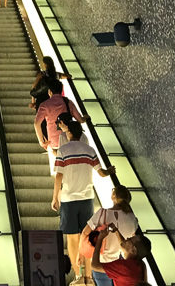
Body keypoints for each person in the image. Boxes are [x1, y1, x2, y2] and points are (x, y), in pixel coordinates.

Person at [52, 113, 108, 282]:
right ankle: (89, 277)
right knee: (88, 238)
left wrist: (55, 198)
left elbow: (58, 177)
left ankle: (78, 276)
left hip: (69, 199)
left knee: (72, 238)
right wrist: (110, 171)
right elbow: (101, 172)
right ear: (81, 134)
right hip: (87, 198)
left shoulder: (63, 150)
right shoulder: (90, 150)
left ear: (69, 133)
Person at [81, 185, 139, 286]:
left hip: (101, 261)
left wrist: (81, 253)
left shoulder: (102, 213)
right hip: (120, 262)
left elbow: (85, 232)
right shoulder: (132, 218)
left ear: (114, 197)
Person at [36, 79, 84, 174]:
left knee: (59, 168)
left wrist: (41, 141)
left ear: (49, 91)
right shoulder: (68, 102)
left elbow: (36, 123)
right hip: (70, 139)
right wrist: (85, 117)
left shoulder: (44, 105)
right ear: (61, 90)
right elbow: (80, 120)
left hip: (54, 143)